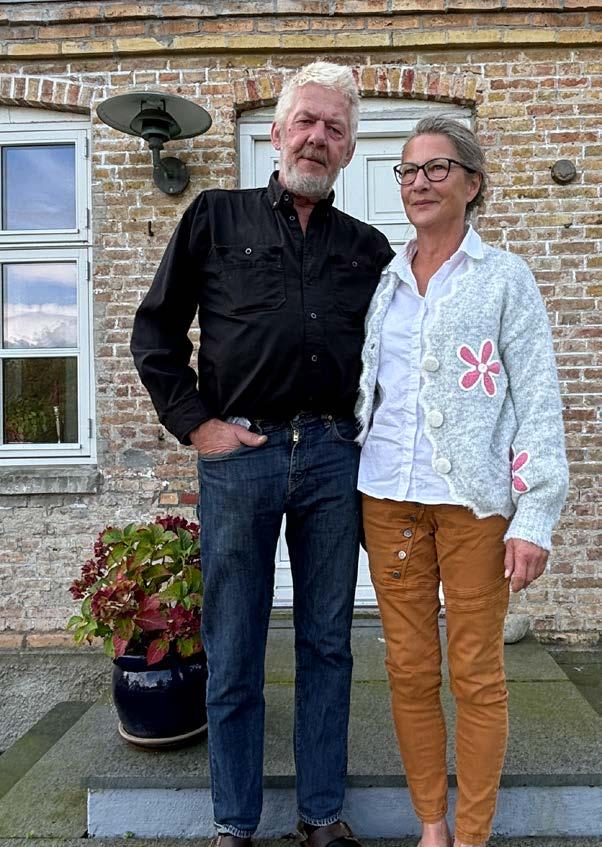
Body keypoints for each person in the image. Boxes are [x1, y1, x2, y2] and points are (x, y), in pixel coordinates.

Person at [131, 61, 394, 847]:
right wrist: (198, 426)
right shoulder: (215, 217)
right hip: (239, 453)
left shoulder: (369, 249)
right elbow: (155, 332)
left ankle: (321, 817)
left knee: (327, 643)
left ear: (348, 150)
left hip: (332, 456)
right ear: (277, 134)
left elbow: (400, 359)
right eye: (306, 121)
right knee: (235, 644)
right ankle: (234, 823)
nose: (317, 137)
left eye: (334, 128)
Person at [355, 116, 568, 847]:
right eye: (408, 170)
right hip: (388, 499)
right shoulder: (384, 280)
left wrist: (535, 514)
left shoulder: (504, 277)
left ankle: (472, 834)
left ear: (473, 183)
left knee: (476, 673)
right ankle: (432, 826)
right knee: (409, 669)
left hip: (475, 505)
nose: (419, 182)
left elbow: (537, 397)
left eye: (437, 168)